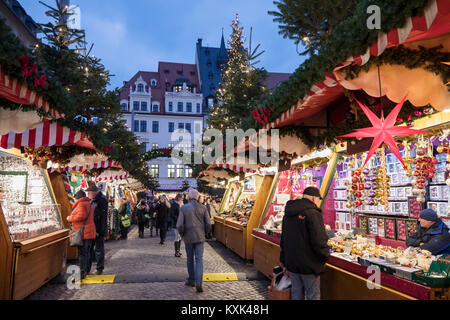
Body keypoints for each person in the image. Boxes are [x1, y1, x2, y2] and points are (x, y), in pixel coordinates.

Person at [280, 187, 330, 300]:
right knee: (313, 295)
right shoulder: (313, 213)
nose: (318, 202)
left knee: (296, 294)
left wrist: (284, 261)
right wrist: (325, 256)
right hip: (310, 264)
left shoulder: (288, 213)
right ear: (313, 198)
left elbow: (283, 239)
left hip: (292, 264)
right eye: (318, 199)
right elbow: (319, 240)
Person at [176, 189, 211, 293]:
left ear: (189, 197)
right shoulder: (203, 207)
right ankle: (199, 283)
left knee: (190, 259)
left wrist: (182, 234)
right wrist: (206, 233)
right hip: (200, 237)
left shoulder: (184, 208)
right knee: (199, 260)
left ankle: (191, 280)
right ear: (197, 197)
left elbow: (179, 225)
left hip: (188, 237)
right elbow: (208, 224)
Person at [67, 190, 96, 279]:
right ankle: (86, 270)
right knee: (87, 252)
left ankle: (82, 271)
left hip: (83, 233)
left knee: (82, 253)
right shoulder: (88, 203)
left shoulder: (81, 204)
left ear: (78, 198)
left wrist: (69, 218)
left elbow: (80, 216)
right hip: (89, 231)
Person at [86, 184, 108, 276]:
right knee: (90, 249)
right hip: (91, 229)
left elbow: (103, 218)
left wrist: (99, 231)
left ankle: (99, 268)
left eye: (89, 193)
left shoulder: (101, 201)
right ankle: (87, 269)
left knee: (98, 249)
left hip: (98, 230)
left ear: (94, 192)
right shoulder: (92, 201)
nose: (88, 194)